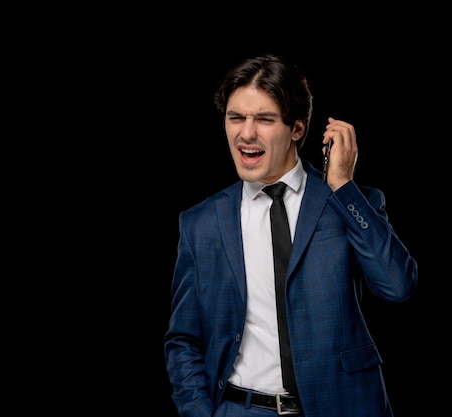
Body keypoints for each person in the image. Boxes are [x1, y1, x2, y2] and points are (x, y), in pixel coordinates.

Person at [163, 54, 418, 417]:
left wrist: (343, 186)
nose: (246, 133)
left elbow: (397, 286)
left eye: (264, 119)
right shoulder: (200, 223)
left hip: (343, 407)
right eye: (236, 117)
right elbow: (184, 339)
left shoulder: (347, 203)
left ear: (297, 128)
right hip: (242, 410)